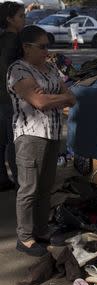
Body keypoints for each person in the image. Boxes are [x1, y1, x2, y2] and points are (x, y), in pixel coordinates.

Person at [7, 25, 76, 256]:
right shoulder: (18, 70)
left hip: (53, 133)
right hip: (30, 135)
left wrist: (53, 97)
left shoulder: (49, 68)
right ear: (26, 47)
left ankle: (41, 230)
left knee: (45, 187)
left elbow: (71, 97)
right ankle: (24, 237)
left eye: (48, 46)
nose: (47, 51)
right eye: (42, 47)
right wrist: (57, 98)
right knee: (29, 188)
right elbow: (39, 102)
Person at [0, 1, 24, 191]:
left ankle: (3, 179)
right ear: (9, 19)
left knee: (3, 141)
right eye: (21, 16)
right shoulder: (13, 39)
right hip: (9, 97)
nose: (25, 20)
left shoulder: (5, 37)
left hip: (3, 95)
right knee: (13, 142)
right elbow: (8, 67)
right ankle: (20, 185)